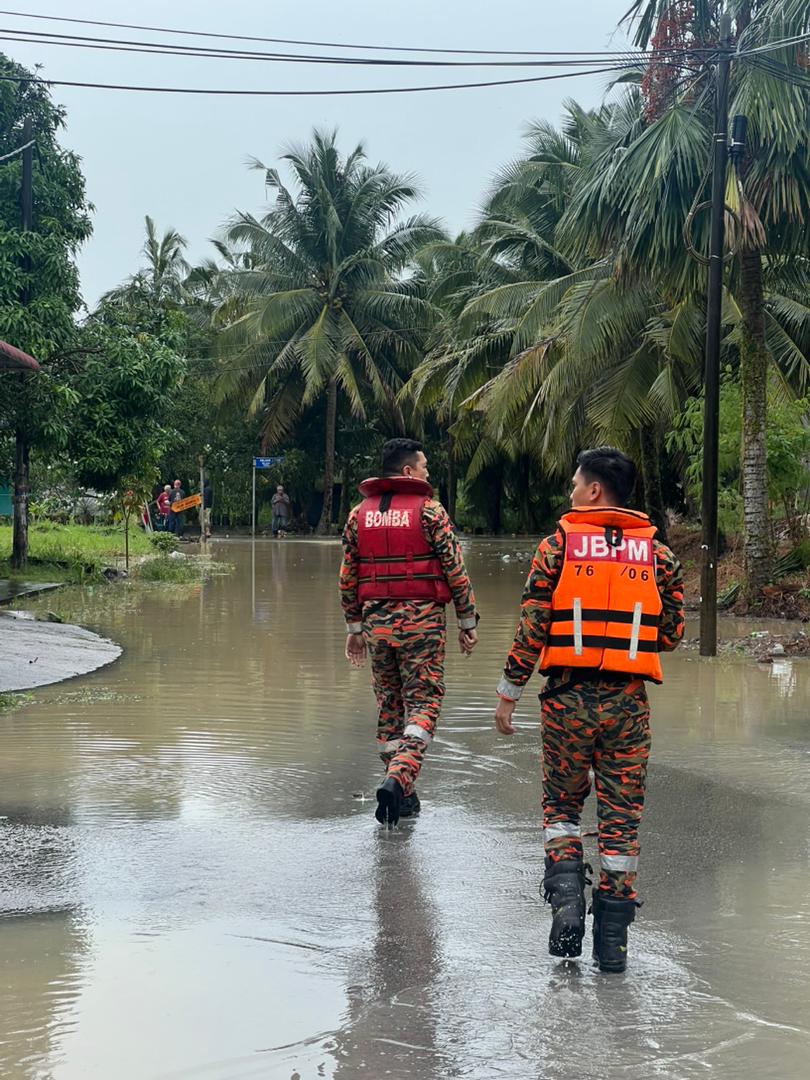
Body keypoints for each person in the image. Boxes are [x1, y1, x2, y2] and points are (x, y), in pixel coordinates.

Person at [493, 447, 684, 973]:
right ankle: (613, 948)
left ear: (595, 490)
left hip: (566, 701)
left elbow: (532, 630)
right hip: (628, 705)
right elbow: (669, 635)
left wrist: (508, 692)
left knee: (561, 807)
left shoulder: (556, 548)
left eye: (576, 484)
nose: (571, 492)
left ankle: (567, 903)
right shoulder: (660, 558)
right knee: (621, 825)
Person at [340, 437, 479, 827]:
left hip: (376, 627)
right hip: (422, 626)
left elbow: (347, 577)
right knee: (425, 704)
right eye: (424, 466)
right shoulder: (431, 512)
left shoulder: (358, 515)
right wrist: (468, 623)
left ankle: (404, 796)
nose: (427, 473)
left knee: (389, 706)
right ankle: (400, 777)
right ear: (407, 472)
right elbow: (456, 572)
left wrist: (354, 629)